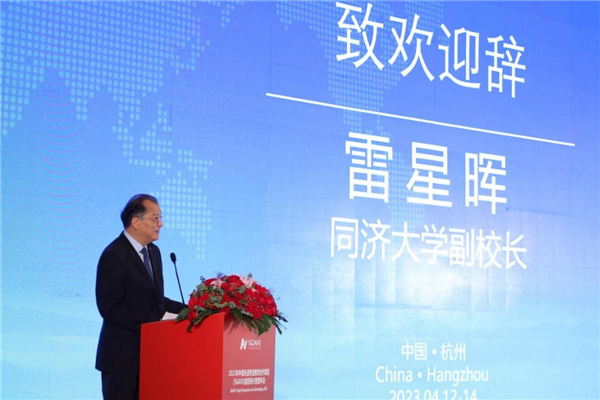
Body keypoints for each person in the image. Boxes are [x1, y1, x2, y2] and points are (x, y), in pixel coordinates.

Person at [95, 194, 186, 400]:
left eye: (161, 218)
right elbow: (110, 307)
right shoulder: (114, 254)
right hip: (121, 360)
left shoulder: (154, 252)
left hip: (152, 357)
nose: (160, 224)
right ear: (136, 221)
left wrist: (190, 309)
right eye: (155, 218)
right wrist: (153, 323)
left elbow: (157, 300)